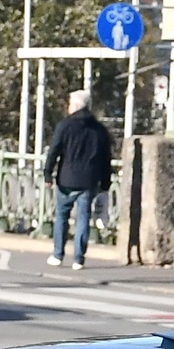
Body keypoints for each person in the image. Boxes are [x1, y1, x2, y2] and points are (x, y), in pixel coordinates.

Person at [41, 89, 112, 269]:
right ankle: (78, 258)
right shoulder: (99, 129)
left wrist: (48, 173)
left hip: (66, 178)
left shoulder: (65, 126)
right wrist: (105, 182)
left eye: (70, 103)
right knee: (83, 218)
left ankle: (58, 254)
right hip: (89, 180)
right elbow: (106, 158)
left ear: (75, 106)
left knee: (62, 216)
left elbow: (54, 150)